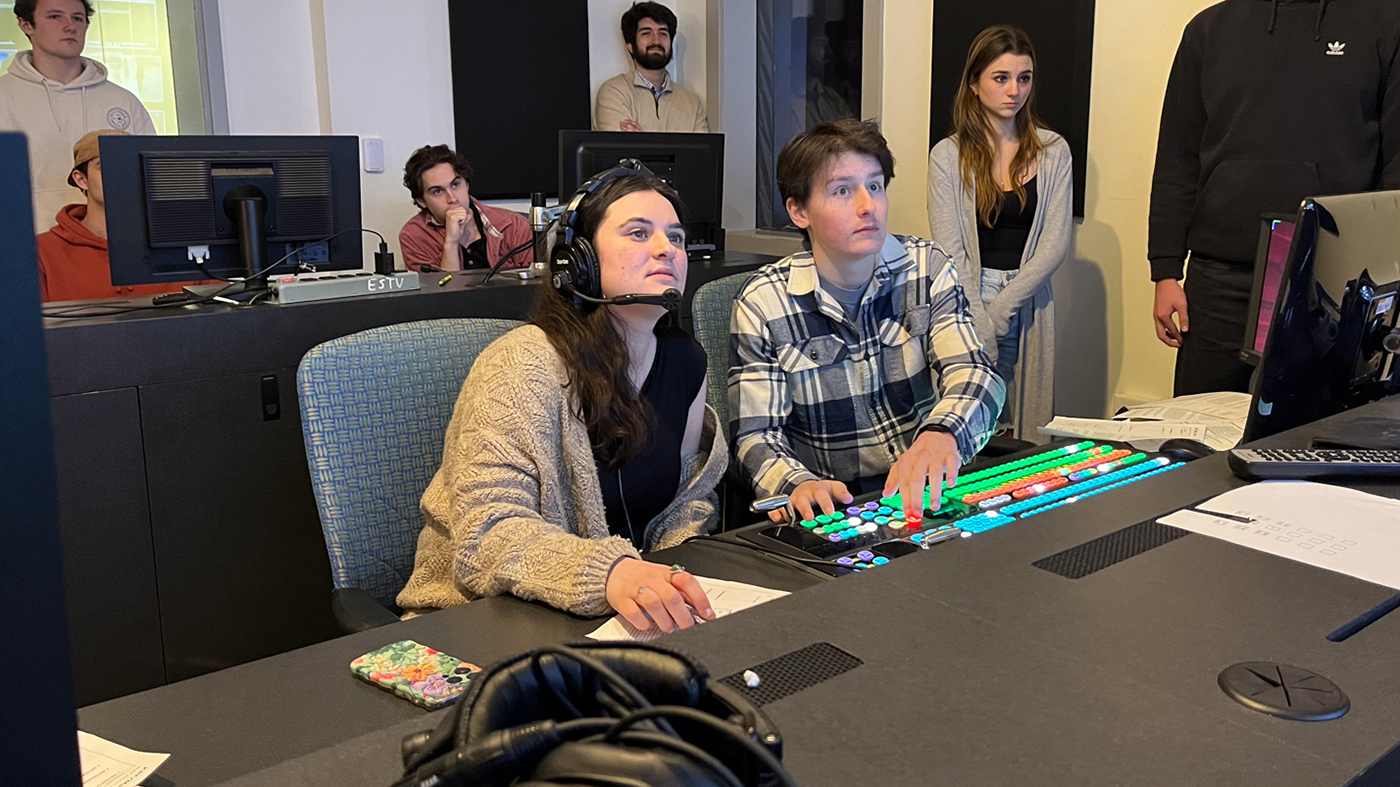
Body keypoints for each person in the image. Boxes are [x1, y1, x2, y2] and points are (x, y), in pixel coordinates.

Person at [397, 171, 727, 635]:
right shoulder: (522, 365)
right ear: (580, 262)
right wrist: (610, 573)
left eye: (675, 237)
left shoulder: (686, 361)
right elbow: (486, 536)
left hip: (624, 620)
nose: (666, 249)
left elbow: (687, 497)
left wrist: (677, 571)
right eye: (638, 232)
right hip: (479, 620)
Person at [729, 119, 1005, 522]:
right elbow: (757, 435)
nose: (867, 205)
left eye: (874, 186)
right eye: (843, 190)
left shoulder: (927, 267)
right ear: (798, 211)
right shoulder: (762, 302)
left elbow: (974, 371)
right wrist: (796, 484)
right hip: (839, 507)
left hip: (931, 488)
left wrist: (942, 433)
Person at [1148, 0, 1400, 396]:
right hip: (1218, 282)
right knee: (1200, 433)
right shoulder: (1208, 29)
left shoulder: (1383, 22)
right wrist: (1165, 270)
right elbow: (1177, 159)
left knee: (1310, 437)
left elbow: (1396, 166)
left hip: (1332, 281)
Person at [927, 25, 1072, 442]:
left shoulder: (1053, 150)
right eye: (1001, 78)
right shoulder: (947, 156)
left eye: (1024, 78)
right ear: (974, 83)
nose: (1015, 90)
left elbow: (1054, 244)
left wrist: (1004, 308)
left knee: (1024, 433)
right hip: (966, 298)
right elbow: (949, 249)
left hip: (1027, 300)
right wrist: (980, 318)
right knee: (968, 424)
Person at [0, 0, 155, 233]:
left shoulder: (123, 101)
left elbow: (150, 181)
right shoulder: (4, 97)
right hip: (24, 250)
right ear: (26, 25)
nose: (70, 26)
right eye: (55, 17)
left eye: (78, 18)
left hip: (107, 248)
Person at [36, 130, 190, 302]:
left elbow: (218, 315)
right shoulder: (41, 252)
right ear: (81, 180)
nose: (122, 174)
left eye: (131, 163)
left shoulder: (183, 245)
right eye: (105, 165)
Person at [397, 144, 533, 273]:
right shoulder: (413, 237)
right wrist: (451, 242)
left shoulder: (515, 225)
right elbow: (440, 296)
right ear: (422, 201)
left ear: (467, 184)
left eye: (456, 184)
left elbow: (534, 288)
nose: (452, 198)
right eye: (437, 191)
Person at [594, 2, 709, 133]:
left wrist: (643, 140)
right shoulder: (613, 93)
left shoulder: (692, 104)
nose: (656, 41)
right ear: (630, 45)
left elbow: (701, 153)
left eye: (663, 33)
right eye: (646, 33)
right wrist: (676, 149)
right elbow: (622, 151)